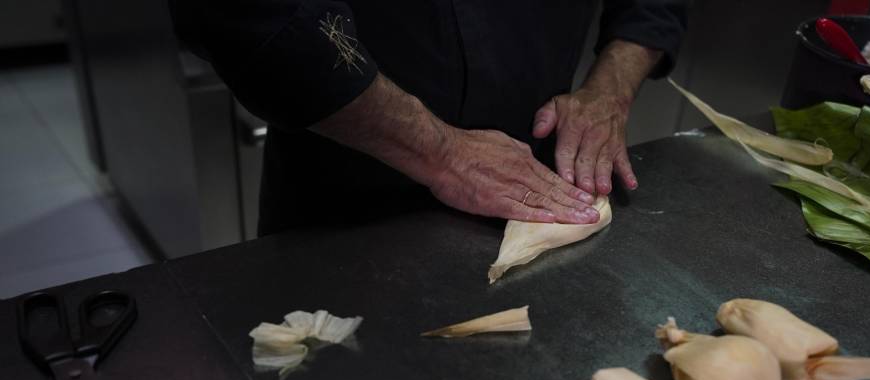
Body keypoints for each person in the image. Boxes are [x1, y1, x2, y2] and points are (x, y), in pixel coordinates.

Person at [170, 1, 688, 235]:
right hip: (347, 198)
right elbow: (251, 12)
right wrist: (441, 152)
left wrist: (610, 90)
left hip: (537, 171)